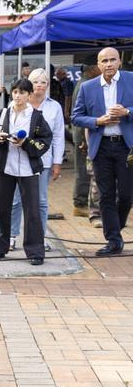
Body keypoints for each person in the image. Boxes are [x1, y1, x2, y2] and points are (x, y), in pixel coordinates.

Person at [0, 78, 53, 265]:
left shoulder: (37, 117)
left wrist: (25, 143)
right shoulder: (2, 114)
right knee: (2, 209)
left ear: (29, 95)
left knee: (32, 211)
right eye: (15, 92)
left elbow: (45, 140)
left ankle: (35, 252)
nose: (18, 96)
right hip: (6, 168)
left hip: (29, 170)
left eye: (22, 92)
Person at [72, 46, 133, 255]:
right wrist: (97, 121)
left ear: (119, 62)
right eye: (104, 61)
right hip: (101, 146)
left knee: (126, 195)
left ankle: (116, 225)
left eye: (112, 60)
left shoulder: (131, 79)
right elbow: (76, 117)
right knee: (105, 195)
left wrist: (127, 112)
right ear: (98, 65)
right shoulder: (87, 87)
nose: (108, 64)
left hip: (126, 146)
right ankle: (114, 240)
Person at [9, 68, 64, 253]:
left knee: (40, 200)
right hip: (18, 159)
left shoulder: (54, 107)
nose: (39, 85)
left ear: (48, 85)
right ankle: (11, 235)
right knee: (16, 199)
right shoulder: (16, 103)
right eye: (35, 82)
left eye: (43, 82)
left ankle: (40, 237)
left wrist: (57, 162)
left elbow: (58, 136)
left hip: (43, 161)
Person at [72, 64, 101, 219]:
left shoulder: (83, 83)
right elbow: (82, 114)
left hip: (83, 132)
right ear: (93, 69)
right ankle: (80, 203)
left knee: (84, 169)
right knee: (83, 170)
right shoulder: (85, 85)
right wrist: (84, 139)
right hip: (83, 134)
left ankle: (82, 202)